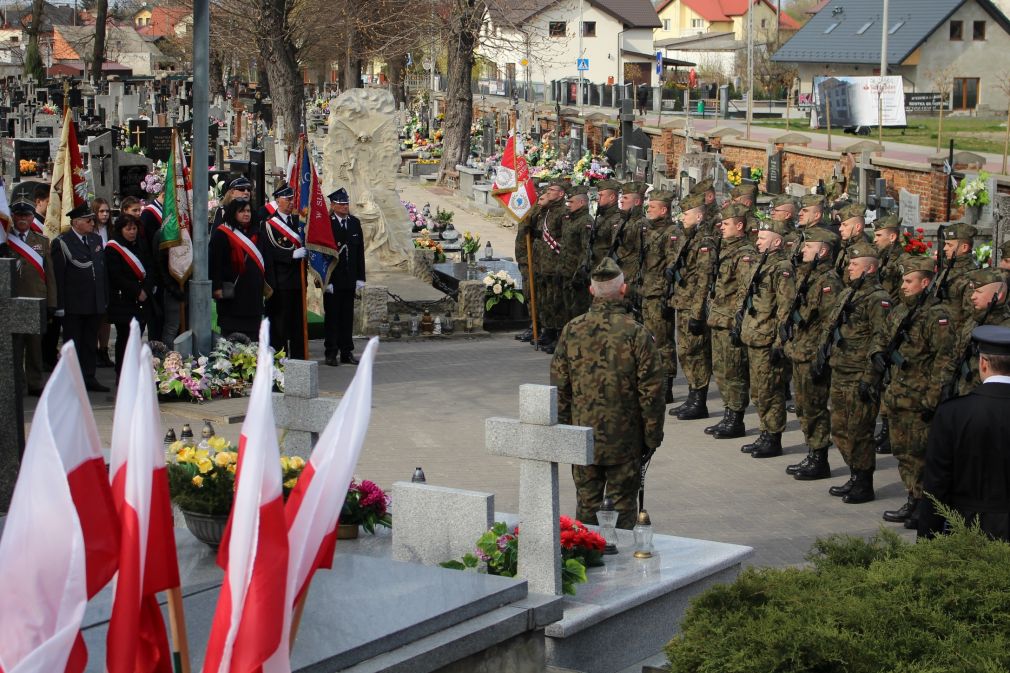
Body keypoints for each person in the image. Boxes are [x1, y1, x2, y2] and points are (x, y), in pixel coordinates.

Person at [550, 257, 664, 529]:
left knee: (586, 508)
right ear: (623, 290)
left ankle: (588, 558)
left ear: (591, 291)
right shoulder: (636, 333)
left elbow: (559, 386)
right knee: (624, 508)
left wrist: (565, 431)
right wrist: (652, 437)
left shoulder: (572, 330)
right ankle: (624, 564)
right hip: (624, 440)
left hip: (582, 437)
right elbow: (652, 392)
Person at [878, 256, 954, 527]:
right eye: (902, 280)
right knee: (903, 452)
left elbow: (944, 359)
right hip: (898, 393)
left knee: (921, 454)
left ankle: (927, 507)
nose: (903, 285)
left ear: (925, 282)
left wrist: (932, 398)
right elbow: (883, 338)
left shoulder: (937, 315)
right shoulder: (900, 310)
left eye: (909, 281)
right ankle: (913, 498)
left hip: (920, 398)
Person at [918, 325, 1010, 542]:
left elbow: (936, 483)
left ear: (983, 363)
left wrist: (927, 541)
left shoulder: (954, 412)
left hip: (968, 529)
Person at [825, 241, 892, 504]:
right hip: (840, 370)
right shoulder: (849, 293)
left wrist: (870, 377)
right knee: (840, 429)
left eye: (854, 264)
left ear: (870, 268)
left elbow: (881, 340)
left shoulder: (879, 299)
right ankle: (854, 474)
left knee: (860, 430)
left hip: (859, 374)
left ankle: (865, 482)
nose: (849, 268)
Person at [782, 227, 843, 480]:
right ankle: (812, 452)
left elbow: (830, 324)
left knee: (815, 407)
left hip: (812, 354)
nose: (803, 249)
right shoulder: (808, 276)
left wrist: (822, 356)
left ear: (824, 251)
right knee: (804, 406)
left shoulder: (828, 282)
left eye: (809, 246)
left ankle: (820, 458)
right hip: (800, 351)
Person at [740, 219, 796, 458]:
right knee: (759, 391)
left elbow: (785, 307)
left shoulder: (782, 267)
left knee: (771, 391)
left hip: (768, 338)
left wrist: (779, 343)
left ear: (776, 241)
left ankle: (773, 437)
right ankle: (764, 432)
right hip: (754, 334)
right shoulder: (763, 262)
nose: (757, 241)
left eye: (763, 238)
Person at [704, 203, 757, 439]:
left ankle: (736, 419)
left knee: (734, 371)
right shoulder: (726, 249)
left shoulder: (745, 254)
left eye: (726, 224)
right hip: (718, 317)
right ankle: (728, 413)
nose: (721, 227)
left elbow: (744, 292)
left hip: (730, 321)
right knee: (721, 369)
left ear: (740, 226)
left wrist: (737, 322)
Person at [668, 192, 717, 420]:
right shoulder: (688, 238)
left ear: (698, 217)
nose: (682, 217)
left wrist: (698, 313)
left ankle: (699, 400)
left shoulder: (704, 242)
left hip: (693, 306)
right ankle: (691, 395)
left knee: (696, 353)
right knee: (686, 352)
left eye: (686, 214)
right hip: (683, 303)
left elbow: (704, 280)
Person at [52, 203, 110, 392]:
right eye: (88, 220)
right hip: (74, 303)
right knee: (73, 343)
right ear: (76, 223)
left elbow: (101, 271)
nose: (92, 223)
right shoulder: (62, 242)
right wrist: (59, 305)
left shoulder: (95, 240)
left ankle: (89, 376)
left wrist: (104, 298)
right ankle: (72, 380)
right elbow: (59, 277)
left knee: (89, 342)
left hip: (94, 301)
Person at [1, 199, 56, 396]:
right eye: (18, 215)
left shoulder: (41, 241)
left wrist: (52, 303)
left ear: (32, 218)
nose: (22, 219)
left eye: (26, 215)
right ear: (12, 216)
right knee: (14, 348)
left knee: (35, 347)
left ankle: (35, 382)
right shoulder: (4, 241)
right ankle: (16, 383)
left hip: (35, 300)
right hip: (11, 300)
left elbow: (49, 275)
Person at [637, 190, 678, 403]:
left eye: (652, 207)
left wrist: (665, 294)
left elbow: (672, 266)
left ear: (663, 210)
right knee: (650, 340)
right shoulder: (649, 230)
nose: (648, 210)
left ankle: (667, 385)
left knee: (663, 341)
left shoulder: (672, 233)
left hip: (659, 293)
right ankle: (654, 381)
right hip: (647, 291)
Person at [210, 198, 271, 341]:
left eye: (248, 210)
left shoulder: (258, 234)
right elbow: (215, 264)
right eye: (242, 211)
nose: (246, 214)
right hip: (232, 295)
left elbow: (267, 261)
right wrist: (216, 287)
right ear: (233, 213)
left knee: (253, 338)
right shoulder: (222, 234)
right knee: (231, 340)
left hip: (253, 297)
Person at [104, 213, 153, 382]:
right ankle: (122, 375)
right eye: (128, 229)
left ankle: (134, 372)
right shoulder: (113, 248)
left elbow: (149, 268)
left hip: (142, 299)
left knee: (137, 337)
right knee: (124, 338)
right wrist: (136, 291)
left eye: (134, 228)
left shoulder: (141, 243)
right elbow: (116, 276)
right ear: (120, 229)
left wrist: (145, 290)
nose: (132, 232)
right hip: (123, 301)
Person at [263, 184, 307, 359]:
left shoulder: (298, 223)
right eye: (287, 199)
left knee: (297, 324)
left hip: (298, 281)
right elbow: (268, 252)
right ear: (277, 201)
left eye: (291, 199)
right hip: (281, 282)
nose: (290, 203)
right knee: (280, 325)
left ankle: (299, 360)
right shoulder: (269, 225)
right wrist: (290, 255)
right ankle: (280, 360)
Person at [323, 188, 365, 366]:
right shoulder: (326, 224)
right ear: (333, 205)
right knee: (333, 318)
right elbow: (323, 255)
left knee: (347, 318)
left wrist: (360, 278)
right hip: (333, 280)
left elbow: (359, 252)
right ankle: (331, 352)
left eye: (346, 203)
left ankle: (346, 351)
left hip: (349, 279)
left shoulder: (354, 223)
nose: (345, 206)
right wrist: (326, 280)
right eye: (341, 204)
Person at [529, 180, 568, 352]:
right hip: (542, 263)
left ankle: (558, 334)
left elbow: (563, 241)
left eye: (552, 190)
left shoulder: (563, 213)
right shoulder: (547, 211)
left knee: (556, 302)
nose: (548, 192)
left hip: (554, 264)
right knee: (545, 300)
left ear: (560, 194)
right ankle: (548, 330)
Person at [560, 185, 593, 320]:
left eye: (571, 202)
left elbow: (586, 249)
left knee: (577, 312)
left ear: (581, 202)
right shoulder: (571, 219)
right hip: (566, 271)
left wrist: (580, 273)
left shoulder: (585, 221)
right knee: (567, 309)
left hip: (576, 274)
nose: (568, 205)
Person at [937, 222, 979, 323]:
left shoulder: (972, 274)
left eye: (949, 245)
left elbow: (971, 315)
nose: (944, 248)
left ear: (964, 247)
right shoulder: (951, 267)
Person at [92, 197, 114, 368]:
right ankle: (93, 350)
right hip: (95, 279)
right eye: (101, 211)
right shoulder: (91, 231)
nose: (105, 214)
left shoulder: (111, 230)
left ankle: (104, 349)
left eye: (107, 211)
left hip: (110, 277)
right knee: (96, 317)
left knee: (106, 318)